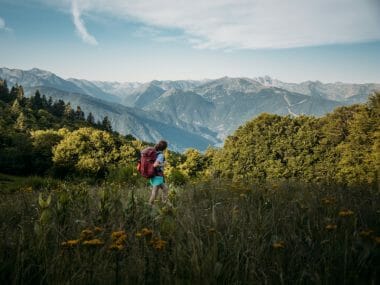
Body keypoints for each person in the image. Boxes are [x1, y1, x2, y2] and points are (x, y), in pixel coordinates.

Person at [149, 140, 169, 205]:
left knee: (162, 190)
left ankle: (162, 204)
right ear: (165, 148)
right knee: (156, 192)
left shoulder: (155, 153)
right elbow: (155, 165)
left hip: (155, 175)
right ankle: (151, 206)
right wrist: (163, 164)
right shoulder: (160, 155)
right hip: (157, 175)